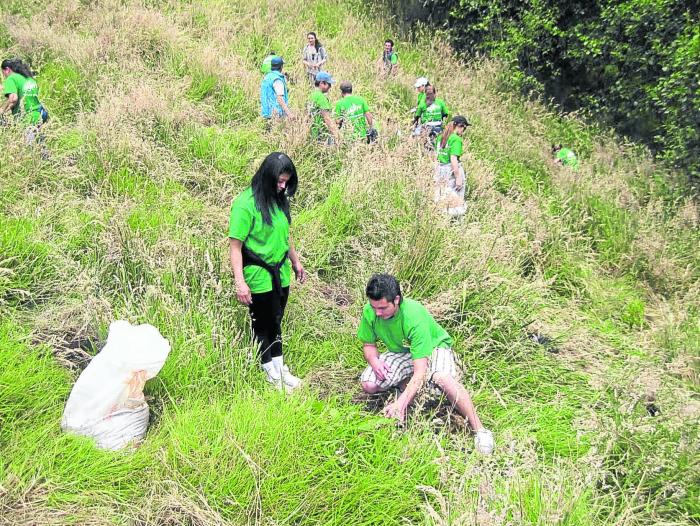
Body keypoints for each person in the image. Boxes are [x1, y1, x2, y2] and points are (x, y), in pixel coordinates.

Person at [358, 274, 494, 454]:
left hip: (434, 348)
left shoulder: (414, 316)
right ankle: (405, 387)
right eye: (374, 307)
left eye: (382, 308)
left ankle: (480, 431)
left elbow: (420, 372)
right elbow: (368, 344)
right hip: (403, 351)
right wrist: (374, 361)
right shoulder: (371, 311)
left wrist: (400, 405)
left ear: (396, 300)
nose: (377, 313)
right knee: (369, 383)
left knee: (441, 379)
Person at [229, 152, 306, 391]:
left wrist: (296, 261)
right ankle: (268, 369)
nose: (283, 187)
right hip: (258, 271)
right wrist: (240, 282)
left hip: (280, 269)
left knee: (277, 318)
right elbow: (235, 246)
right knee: (262, 323)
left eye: (286, 182)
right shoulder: (245, 204)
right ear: (266, 177)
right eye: (279, 181)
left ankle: (280, 366)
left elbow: (285, 235)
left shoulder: (280, 199)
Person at [1, 58, 48, 144]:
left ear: (7, 69)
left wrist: (2, 110)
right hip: (40, 114)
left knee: (28, 150)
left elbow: (13, 98)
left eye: (3, 73)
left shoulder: (11, 78)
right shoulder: (27, 78)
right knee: (41, 149)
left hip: (28, 119)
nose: (4, 76)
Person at [434, 115, 470, 217]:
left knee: (442, 195)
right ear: (460, 126)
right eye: (464, 128)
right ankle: (456, 221)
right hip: (451, 171)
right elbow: (453, 159)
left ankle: (441, 216)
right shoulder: (456, 139)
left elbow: (436, 155)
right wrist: (458, 178)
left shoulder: (441, 137)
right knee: (457, 199)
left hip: (440, 169)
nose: (463, 131)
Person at [307, 71, 339, 143]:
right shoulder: (321, 97)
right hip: (322, 134)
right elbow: (327, 118)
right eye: (329, 84)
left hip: (313, 133)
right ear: (321, 83)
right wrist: (337, 135)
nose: (330, 87)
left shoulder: (312, 95)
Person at [260, 56, 293, 122]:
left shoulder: (267, 77)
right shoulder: (277, 80)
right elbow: (280, 98)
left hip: (266, 113)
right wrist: (289, 114)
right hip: (275, 115)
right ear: (281, 67)